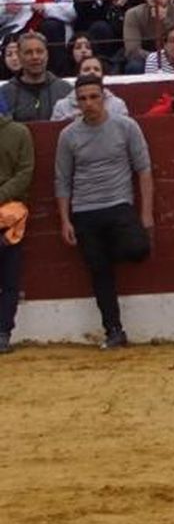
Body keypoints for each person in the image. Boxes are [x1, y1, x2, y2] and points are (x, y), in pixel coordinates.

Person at [53, 75, 152, 349]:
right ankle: (114, 330)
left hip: (119, 205)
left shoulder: (125, 126)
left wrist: (146, 213)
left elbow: (143, 169)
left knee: (138, 249)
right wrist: (65, 220)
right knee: (99, 273)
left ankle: (108, 254)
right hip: (85, 210)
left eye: (94, 97)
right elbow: (62, 180)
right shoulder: (68, 135)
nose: (89, 103)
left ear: (104, 97)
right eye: (82, 99)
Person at [0, 108, 33, 354]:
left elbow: (25, 173)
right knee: (9, 281)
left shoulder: (19, 132)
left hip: (9, 216)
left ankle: (2, 333)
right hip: (10, 211)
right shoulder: (19, 132)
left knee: (9, 280)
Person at [0, 30, 71, 120]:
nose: (35, 57)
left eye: (39, 51)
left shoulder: (65, 90)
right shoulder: (4, 94)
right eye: (28, 52)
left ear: (47, 55)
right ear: (19, 56)